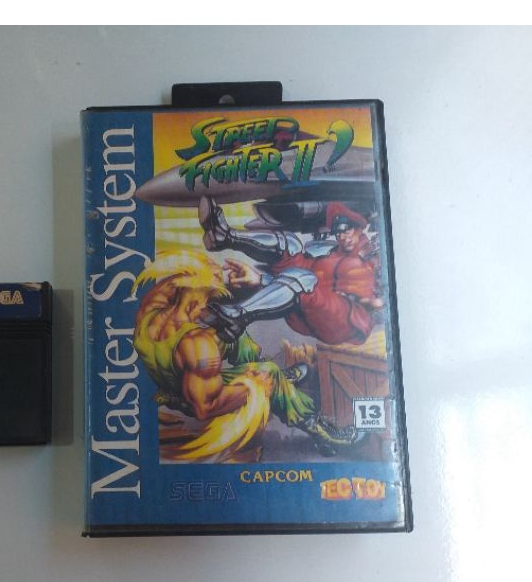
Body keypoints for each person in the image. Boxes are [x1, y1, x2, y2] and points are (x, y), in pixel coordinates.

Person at [132, 249, 362, 460]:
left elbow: (182, 285)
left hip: (173, 380)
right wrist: (254, 386)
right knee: (270, 372)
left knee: (235, 335)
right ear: (197, 300)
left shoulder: (150, 309)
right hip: (195, 398)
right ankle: (321, 431)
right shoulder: (198, 344)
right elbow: (205, 408)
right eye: (210, 299)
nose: (211, 305)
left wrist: (223, 282)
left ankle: (278, 383)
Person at [199, 197, 383, 346]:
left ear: (358, 227)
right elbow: (300, 280)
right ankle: (225, 236)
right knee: (291, 244)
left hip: (344, 320)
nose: (342, 237)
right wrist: (261, 279)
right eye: (338, 233)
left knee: (304, 279)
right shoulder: (332, 253)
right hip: (312, 306)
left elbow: (306, 284)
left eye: (346, 230)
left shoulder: (371, 256)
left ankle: (238, 317)